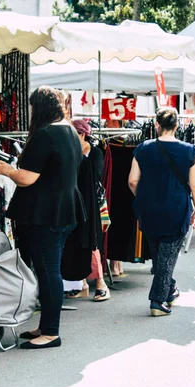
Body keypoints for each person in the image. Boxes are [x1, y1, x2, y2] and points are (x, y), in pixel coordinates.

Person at [0, 86, 83, 349]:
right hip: (64, 209)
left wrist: (8, 170)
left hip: (47, 214)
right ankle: (45, 325)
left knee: (48, 271)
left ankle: (51, 332)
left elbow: (27, 178)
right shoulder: (69, 131)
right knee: (48, 270)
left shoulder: (45, 135)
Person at [128, 107, 195, 317]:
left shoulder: (143, 148)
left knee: (160, 255)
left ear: (157, 125)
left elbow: (133, 180)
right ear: (177, 126)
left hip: (148, 209)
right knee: (167, 256)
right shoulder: (189, 151)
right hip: (177, 208)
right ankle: (157, 300)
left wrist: (142, 198)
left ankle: (169, 291)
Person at [63, 119, 110, 302]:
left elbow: (96, 177)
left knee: (92, 243)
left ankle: (100, 284)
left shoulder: (95, 152)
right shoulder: (72, 153)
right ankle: (81, 284)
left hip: (93, 204)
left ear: (82, 134)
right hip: (75, 203)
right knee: (77, 242)